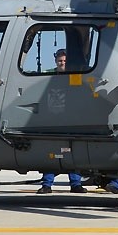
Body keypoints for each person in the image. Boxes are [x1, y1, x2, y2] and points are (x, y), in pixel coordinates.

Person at [38, 47, 85, 194]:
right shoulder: (49, 76)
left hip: (71, 119)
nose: (62, 63)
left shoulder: (76, 76)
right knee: (51, 153)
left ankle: (76, 184)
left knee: (73, 152)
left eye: (64, 61)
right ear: (55, 61)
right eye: (60, 61)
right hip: (53, 119)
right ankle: (47, 184)